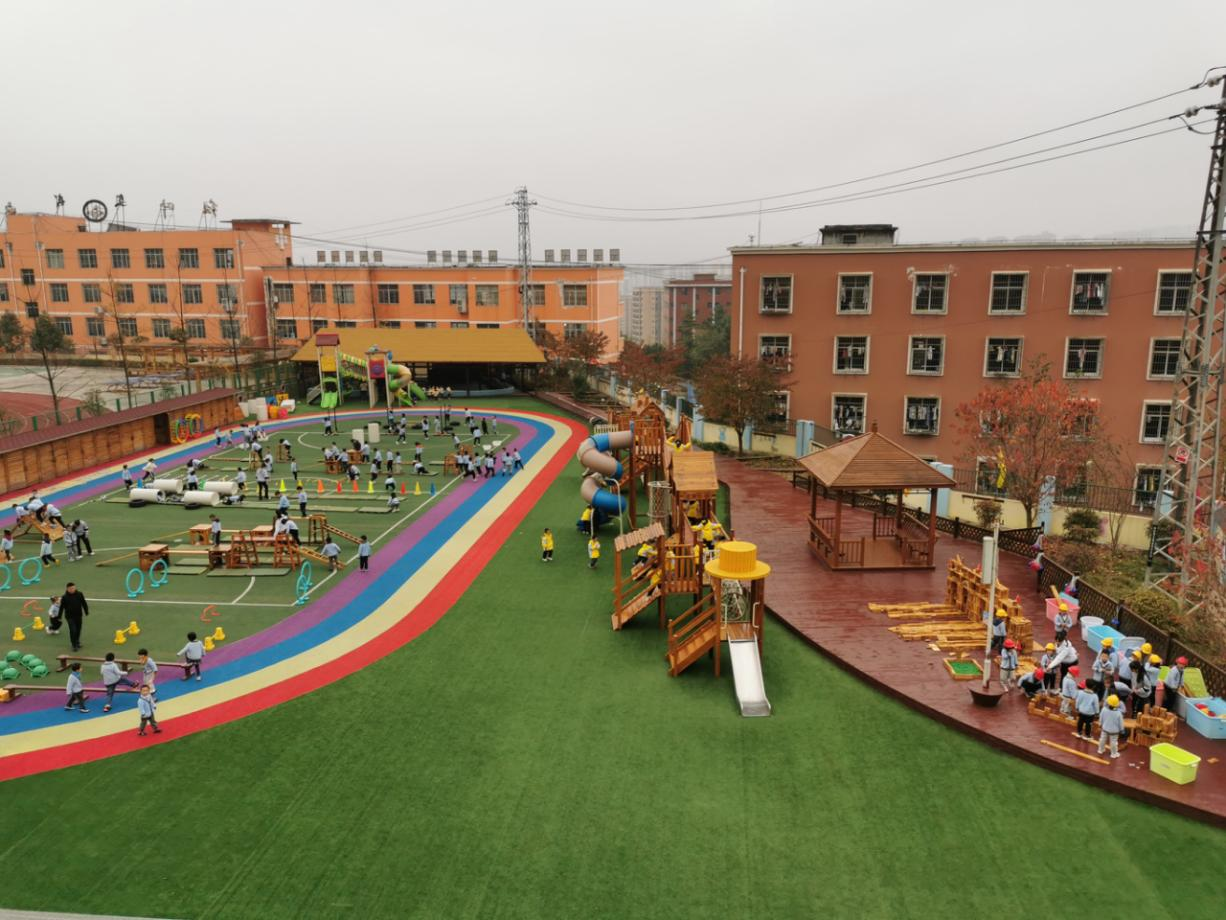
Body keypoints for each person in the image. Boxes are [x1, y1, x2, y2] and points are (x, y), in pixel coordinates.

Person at [1098, 694, 1126, 759]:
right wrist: (1122, 730)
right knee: (1113, 742)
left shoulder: (1104, 709)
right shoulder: (1118, 713)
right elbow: (1120, 723)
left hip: (1105, 728)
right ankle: (1113, 754)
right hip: (1114, 731)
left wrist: (1100, 724)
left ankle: (1100, 750)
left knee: (1102, 739)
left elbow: (1101, 718)